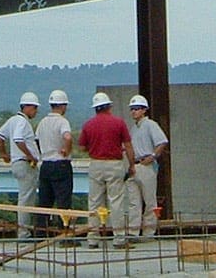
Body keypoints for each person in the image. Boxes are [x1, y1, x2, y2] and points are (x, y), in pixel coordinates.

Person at [77, 91, 133, 248]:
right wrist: (132, 165)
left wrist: (93, 147)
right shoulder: (119, 123)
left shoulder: (88, 125)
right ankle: (119, 239)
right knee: (116, 202)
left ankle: (93, 238)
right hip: (114, 164)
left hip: (96, 164)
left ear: (95, 108)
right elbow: (128, 145)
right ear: (109, 106)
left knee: (95, 202)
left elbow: (81, 147)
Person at [124, 94, 169, 240]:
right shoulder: (133, 128)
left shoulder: (150, 125)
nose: (134, 112)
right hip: (134, 165)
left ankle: (149, 232)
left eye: (137, 109)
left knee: (149, 200)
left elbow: (162, 142)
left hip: (146, 165)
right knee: (133, 202)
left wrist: (153, 156)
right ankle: (133, 232)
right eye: (132, 109)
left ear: (144, 110)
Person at [0, 91, 41, 238]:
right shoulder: (22, 121)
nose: (35, 111)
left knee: (24, 198)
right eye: (34, 108)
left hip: (16, 163)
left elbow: (0, 135)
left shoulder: (12, 120)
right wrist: (30, 156)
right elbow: (17, 139)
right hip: (24, 163)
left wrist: (4, 154)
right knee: (26, 200)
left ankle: (24, 230)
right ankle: (24, 233)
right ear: (26, 107)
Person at [35, 89, 73, 238]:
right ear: (63, 106)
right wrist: (66, 149)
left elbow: (36, 139)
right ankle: (64, 235)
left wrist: (43, 152)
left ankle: (40, 233)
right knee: (63, 201)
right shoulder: (62, 121)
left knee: (44, 200)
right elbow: (68, 137)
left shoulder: (43, 122)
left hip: (45, 164)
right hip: (61, 164)